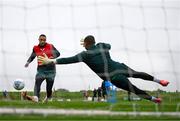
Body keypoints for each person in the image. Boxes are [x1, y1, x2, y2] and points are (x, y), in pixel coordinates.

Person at [38, 35, 169, 103]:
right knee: (138, 74)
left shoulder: (85, 55)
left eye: (84, 43)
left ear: (86, 44)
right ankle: (159, 81)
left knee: (135, 89)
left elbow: (68, 60)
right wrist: (94, 42)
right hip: (120, 66)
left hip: (114, 77)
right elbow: (109, 45)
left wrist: (50, 60)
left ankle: (153, 99)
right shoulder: (102, 46)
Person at [24, 34, 60, 102]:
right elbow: (32, 56)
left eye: (44, 40)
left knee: (49, 88)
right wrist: (28, 62)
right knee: (37, 82)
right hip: (41, 69)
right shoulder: (35, 48)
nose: (43, 41)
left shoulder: (50, 46)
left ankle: (49, 97)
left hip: (51, 70)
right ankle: (36, 97)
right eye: (41, 40)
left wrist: (52, 58)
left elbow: (58, 53)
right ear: (39, 40)